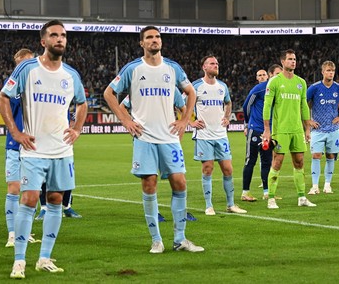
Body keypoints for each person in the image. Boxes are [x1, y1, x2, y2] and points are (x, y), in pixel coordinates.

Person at [0, 20, 88, 278]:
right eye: (54, 35)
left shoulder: (71, 75)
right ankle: (20, 260)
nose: (60, 39)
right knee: (29, 199)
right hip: (34, 150)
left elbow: (82, 103)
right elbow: (2, 98)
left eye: (63, 35)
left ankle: (44, 258)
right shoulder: (27, 68)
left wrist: (77, 128)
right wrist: (15, 132)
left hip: (62, 151)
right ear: (43, 41)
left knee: (56, 200)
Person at [103, 25, 203, 254]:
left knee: (180, 182)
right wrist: (126, 121)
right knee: (150, 183)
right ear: (142, 43)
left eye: (157, 37)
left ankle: (180, 239)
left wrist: (185, 120)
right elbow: (109, 93)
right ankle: (156, 239)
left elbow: (191, 93)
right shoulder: (133, 69)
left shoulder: (172, 68)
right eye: (149, 37)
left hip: (169, 137)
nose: (154, 40)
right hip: (144, 137)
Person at [118, 89, 187, 223]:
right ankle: (156, 213)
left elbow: (183, 108)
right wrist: (128, 124)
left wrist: (180, 132)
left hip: (168, 139)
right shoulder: (139, 86)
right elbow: (121, 107)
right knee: (150, 179)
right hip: (146, 139)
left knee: (178, 179)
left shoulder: (170, 84)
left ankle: (180, 215)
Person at [191, 55, 247, 216]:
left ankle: (230, 204)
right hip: (203, 135)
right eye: (212, 63)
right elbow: (181, 104)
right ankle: (209, 206)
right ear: (204, 67)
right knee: (208, 169)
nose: (216, 65)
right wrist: (190, 121)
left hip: (221, 134)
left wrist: (227, 116)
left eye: (217, 63)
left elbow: (228, 103)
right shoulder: (196, 86)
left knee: (228, 169)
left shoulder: (222, 86)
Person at [262, 49, 316, 209]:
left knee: (299, 162)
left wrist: (307, 129)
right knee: (277, 162)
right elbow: (267, 106)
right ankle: (271, 198)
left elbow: (304, 107)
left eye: (295, 59)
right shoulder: (274, 82)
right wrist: (267, 129)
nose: (293, 61)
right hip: (281, 130)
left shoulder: (301, 82)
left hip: (297, 130)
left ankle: (301, 197)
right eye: (290, 59)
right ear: (283, 62)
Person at [3, 48, 41, 248]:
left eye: (27, 62)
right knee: (14, 188)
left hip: (36, 146)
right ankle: (12, 233)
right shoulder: (12, 88)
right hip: (15, 145)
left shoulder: (41, 84)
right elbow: (4, 106)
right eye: (20, 65)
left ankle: (24, 232)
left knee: (31, 191)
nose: (24, 68)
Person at [307, 61, 339, 195]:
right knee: (316, 156)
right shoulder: (314, 88)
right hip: (318, 129)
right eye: (328, 70)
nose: (330, 73)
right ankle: (315, 186)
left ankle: (327, 185)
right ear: (322, 72)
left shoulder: (338, 88)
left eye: (332, 71)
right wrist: (308, 120)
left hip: (333, 129)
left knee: (330, 156)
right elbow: (303, 103)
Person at [241, 64, 283, 201]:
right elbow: (246, 105)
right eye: (277, 74)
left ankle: (267, 192)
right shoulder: (259, 89)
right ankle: (245, 192)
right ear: (270, 75)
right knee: (250, 161)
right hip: (256, 129)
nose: (279, 76)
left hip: (269, 132)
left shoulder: (279, 90)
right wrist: (247, 124)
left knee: (266, 162)